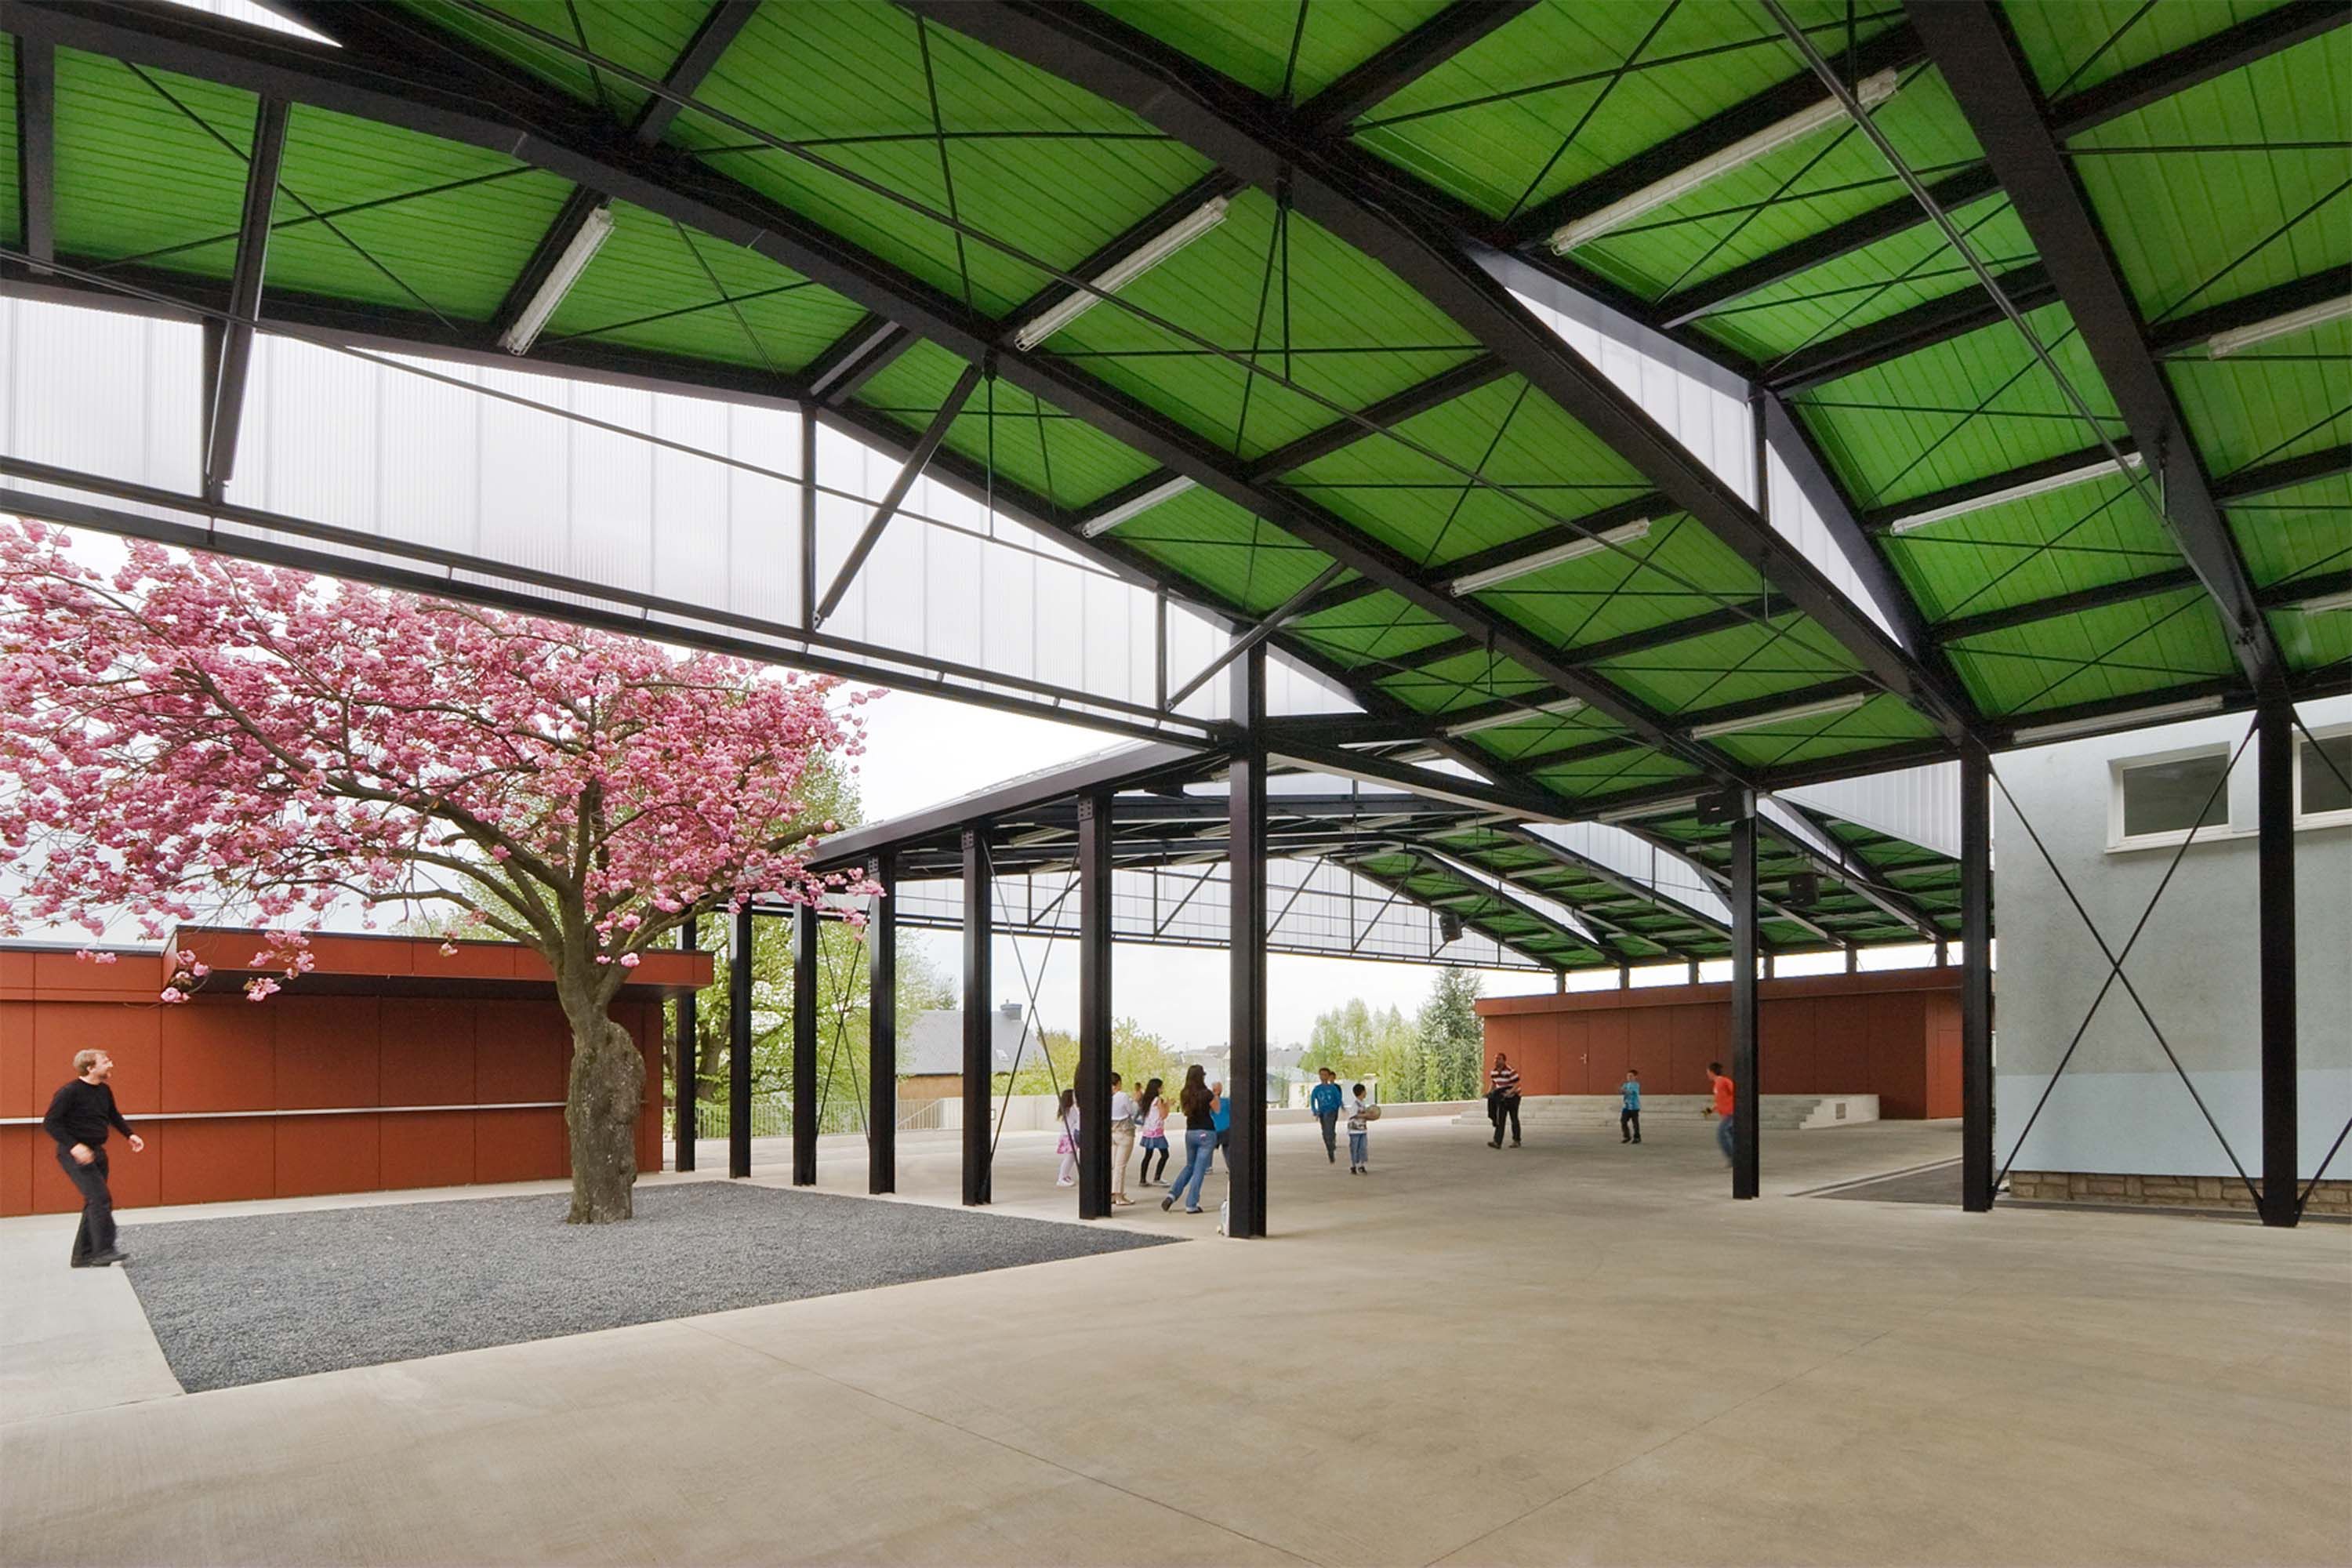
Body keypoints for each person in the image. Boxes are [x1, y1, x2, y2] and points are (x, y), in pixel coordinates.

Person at [42, 1048, 143, 1268]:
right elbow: (50, 1122)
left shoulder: (104, 1090)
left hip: (97, 1152)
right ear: (90, 1068)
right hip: (75, 1154)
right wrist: (75, 1146)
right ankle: (103, 1251)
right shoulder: (69, 1092)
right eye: (105, 1062)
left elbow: (113, 1115)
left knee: (94, 1202)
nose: (111, 1065)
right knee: (100, 1199)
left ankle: (83, 1256)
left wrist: (130, 1135)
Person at [1160, 1065, 1218, 1214]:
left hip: (1190, 1132)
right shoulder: (1207, 1093)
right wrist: (1216, 1094)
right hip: (1206, 1132)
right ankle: (1191, 1204)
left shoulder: (1184, 1093)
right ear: (1202, 1077)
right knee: (1199, 1170)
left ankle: (1172, 1195)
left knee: (1189, 1166)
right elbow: (1217, 1110)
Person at [1109, 1071, 1136, 1207]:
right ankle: (1119, 1195)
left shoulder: (1107, 1097)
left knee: (1114, 1165)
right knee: (1120, 1166)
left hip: (1113, 1132)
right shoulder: (1122, 1096)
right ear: (1118, 1083)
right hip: (1125, 1132)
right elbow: (1131, 1111)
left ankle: (1113, 1194)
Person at [1135, 1078, 1169, 1186]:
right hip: (1157, 1132)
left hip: (1148, 1131)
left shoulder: (1146, 1100)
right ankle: (1157, 1177)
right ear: (1157, 1088)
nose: (1163, 1089)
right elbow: (1163, 1115)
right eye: (1161, 1087)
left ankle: (1142, 1179)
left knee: (1148, 1155)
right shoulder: (1158, 1100)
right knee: (1165, 1155)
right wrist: (1168, 1105)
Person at [1308, 1067, 1344, 1163]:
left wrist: (1339, 1107)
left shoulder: (1333, 1088)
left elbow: (1338, 1099)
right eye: (1321, 1074)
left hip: (1331, 1111)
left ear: (1328, 1076)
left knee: (1329, 1130)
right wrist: (1315, 1110)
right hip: (1322, 1112)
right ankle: (1330, 1148)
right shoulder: (1317, 1089)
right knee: (1325, 1132)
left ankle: (1331, 1144)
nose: (1323, 1076)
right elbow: (1312, 1100)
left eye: (1325, 1075)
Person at [1486, 1051, 1522, 1149]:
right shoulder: (1493, 1072)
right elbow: (1493, 1083)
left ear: (1504, 1061)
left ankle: (1516, 1140)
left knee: (1514, 1118)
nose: (1496, 1061)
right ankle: (1497, 1142)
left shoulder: (1510, 1071)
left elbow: (1517, 1084)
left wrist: (1510, 1092)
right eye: (1495, 1059)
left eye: (1499, 1059)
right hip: (1502, 1097)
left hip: (1514, 1097)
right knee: (1501, 1119)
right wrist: (1489, 1093)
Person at [1707, 1060, 1737, 1165]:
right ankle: (1739, 1156)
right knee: (1732, 1136)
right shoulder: (1716, 1085)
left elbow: (1736, 1092)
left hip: (1732, 1114)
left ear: (1712, 1072)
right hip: (1726, 1115)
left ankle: (1733, 1158)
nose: (1707, 1075)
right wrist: (1710, 1110)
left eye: (1708, 1072)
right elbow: (1720, 1102)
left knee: (1721, 1133)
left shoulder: (1724, 1081)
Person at [1345, 1082, 1374, 1174]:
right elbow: (1355, 1115)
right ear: (1362, 1092)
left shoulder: (1363, 1103)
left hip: (1362, 1130)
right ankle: (1354, 1165)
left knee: (1363, 1147)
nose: (1366, 1093)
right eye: (1365, 1091)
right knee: (1355, 1148)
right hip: (1354, 1131)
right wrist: (1365, 1115)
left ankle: (1361, 1165)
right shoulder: (1355, 1104)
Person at [1054, 1087, 1080, 1187]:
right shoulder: (1071, 1110)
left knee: (1071, 1157)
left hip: (1067, 1135)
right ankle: (1061, 1177)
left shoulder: (1066, 1110)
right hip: (1070, 1136)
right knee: (1070, 1158)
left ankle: (1065, 1176)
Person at [1211, 1077, 1234, 1171]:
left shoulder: (1211, 1103)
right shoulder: (1227, 1101)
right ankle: (1231, 1167)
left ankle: (1207, 1166)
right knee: (1227, 1150)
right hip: (1227, 1128)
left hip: (1215, 1129)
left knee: (1207, 1148)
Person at [1620, 1068, 1642, 1145]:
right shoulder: (1625, 1084)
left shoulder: (1636, 1085)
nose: (1629, 1077)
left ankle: (1637, 1137)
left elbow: (1631, 1092)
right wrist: (1622, 1091)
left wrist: (1624, 1091)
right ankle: (1627, 1136)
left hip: (1634, 1107)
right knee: (1623, 1121)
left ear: (1635, 1077)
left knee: (1635, 1123)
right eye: (1628, 1076)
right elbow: (1622, 1092)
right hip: (1626, 1107)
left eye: (1631, 1076)